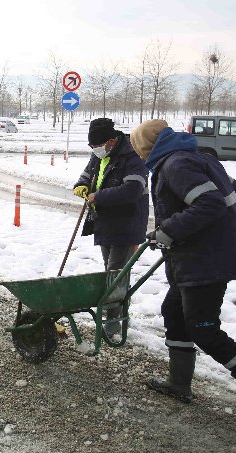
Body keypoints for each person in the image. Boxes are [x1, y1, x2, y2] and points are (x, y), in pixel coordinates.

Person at [130, 119, 236, 434]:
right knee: (174, 311)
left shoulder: (175, 165)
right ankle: (179, 383)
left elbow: (209, 203)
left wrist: (170, 229)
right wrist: (183, 228)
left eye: (138, 148)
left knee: (205, 331)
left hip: (205, 262)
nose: (139, 155)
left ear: (146, 146)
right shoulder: (197, 157)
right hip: (194, 259)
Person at [72, 118, 149, 337]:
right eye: (91, 146)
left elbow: (132, 190)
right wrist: (81, 186)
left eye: (97, 145)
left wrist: (98, 196)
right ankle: (118, 313)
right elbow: (87, 175)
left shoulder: (133, 156)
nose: (94, 150)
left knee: (116, 274)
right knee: (111, 271)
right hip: (105, 222)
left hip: (127, 223)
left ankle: (113, 320)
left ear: (112, 141)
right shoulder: (98, 155)